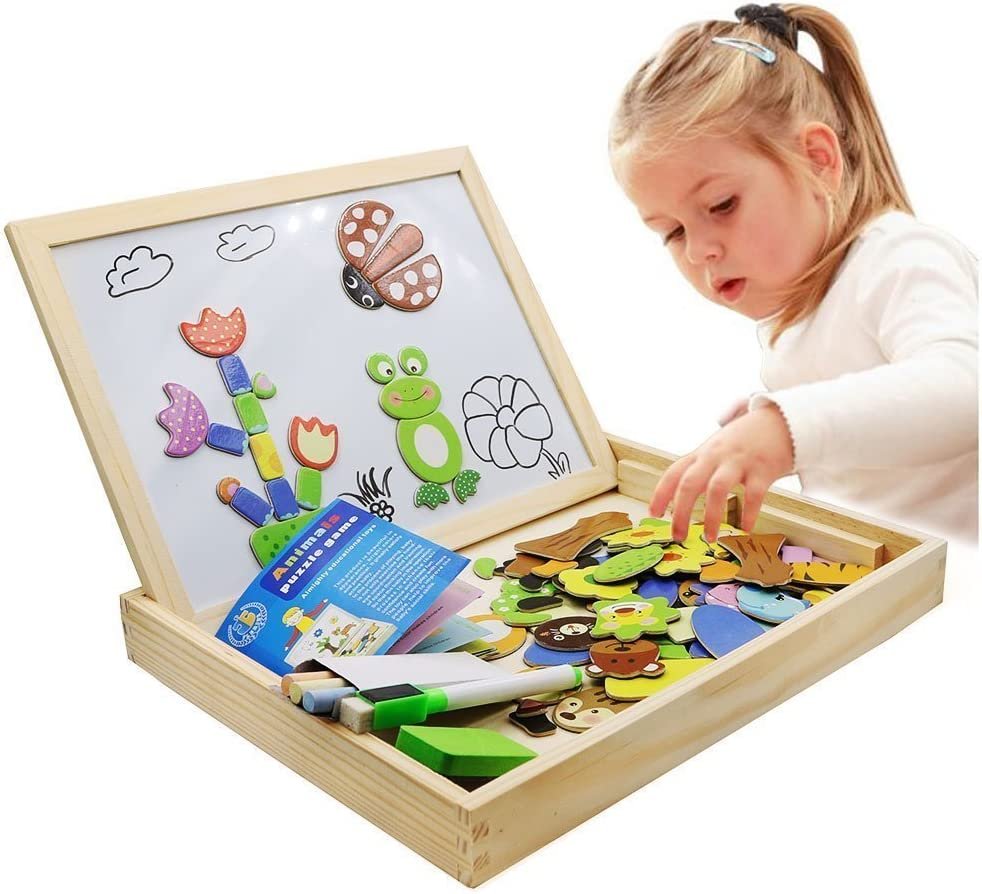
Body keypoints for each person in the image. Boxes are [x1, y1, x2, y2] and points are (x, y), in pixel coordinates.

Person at [608, 3, 978, 544]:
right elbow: (865, 439)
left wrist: (785, 427)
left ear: (819, 159)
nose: (700, 250)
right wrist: (759, 437)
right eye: (673, 232)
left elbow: (965, 388)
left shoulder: (900, 256)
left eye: (722, 204)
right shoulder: (798, 310)